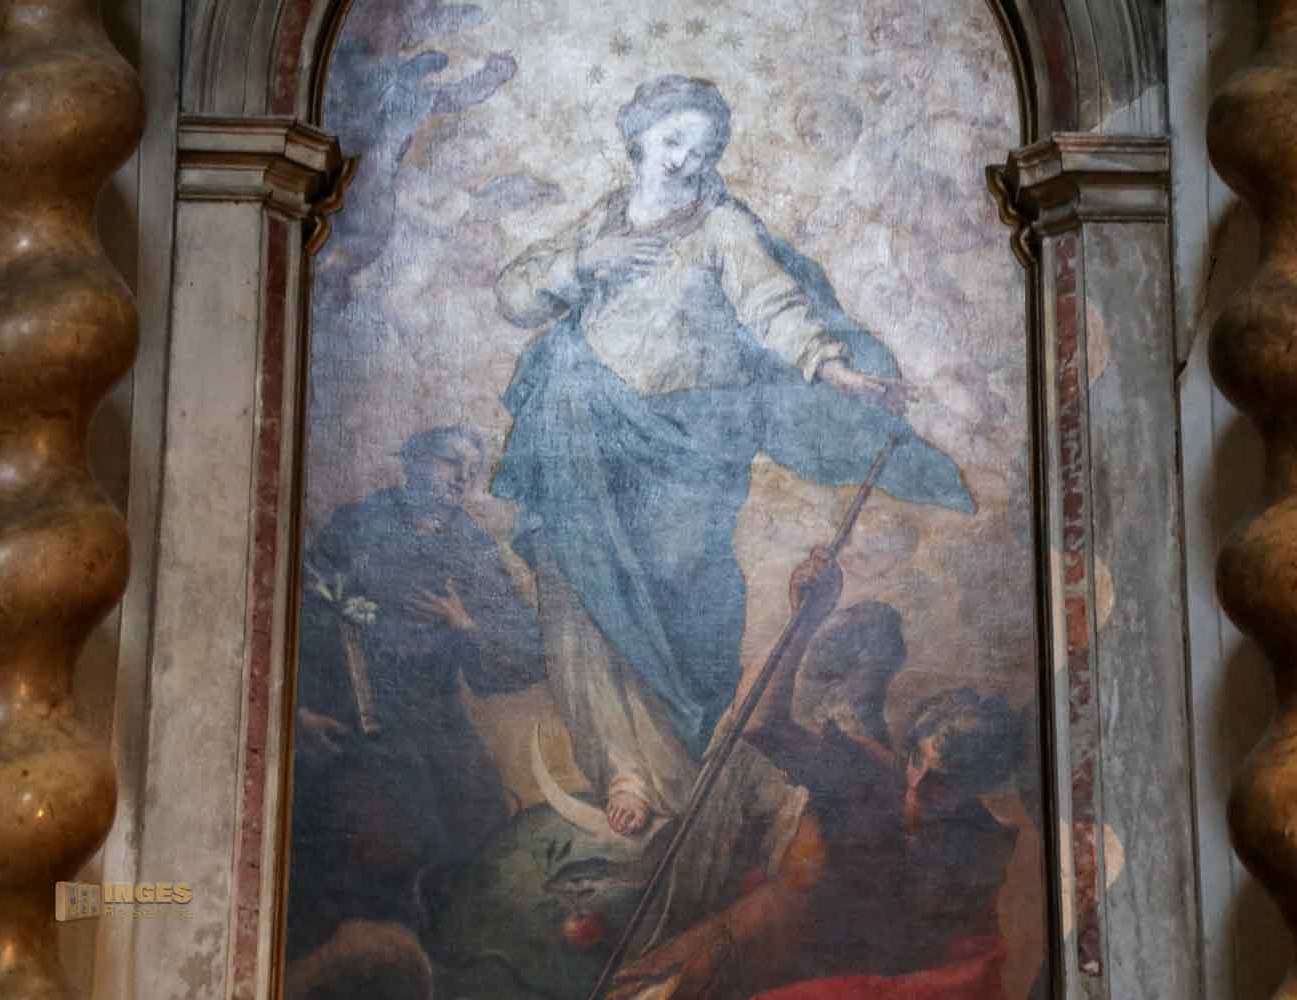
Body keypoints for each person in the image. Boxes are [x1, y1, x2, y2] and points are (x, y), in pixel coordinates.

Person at [493, 73, 975, 837]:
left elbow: (773, 305)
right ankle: (624, 766)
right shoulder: (604, 221)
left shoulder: (720, 227)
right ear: (639, 136)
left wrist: (833, 369)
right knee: (580, 584)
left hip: (689, 451)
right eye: (672, 140)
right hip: (586, 435)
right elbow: (516, 295)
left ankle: (688, 762)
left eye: (703, 147)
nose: (684, 160)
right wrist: (587, 262)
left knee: (689, 604)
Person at [608, 556, 1022, 999]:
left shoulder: (978, 844)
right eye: (917, 760)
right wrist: (805, 619)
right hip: (747, 941)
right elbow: (758, 725)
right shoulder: (869, 773)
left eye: (942, 782)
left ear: (974, 788)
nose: (916, 786)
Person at [285, 425, 545, 965]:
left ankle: (449, 967)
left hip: (435, 719)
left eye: (472, 470)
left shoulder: (472, 546)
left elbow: (523, 648)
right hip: (353, 717)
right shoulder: (358, 524)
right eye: (451, 462)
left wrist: (465, 624)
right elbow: (299, 613)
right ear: (414, 460)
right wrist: (301, 710)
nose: (462, 478)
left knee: (481, 822)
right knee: (379, 838)